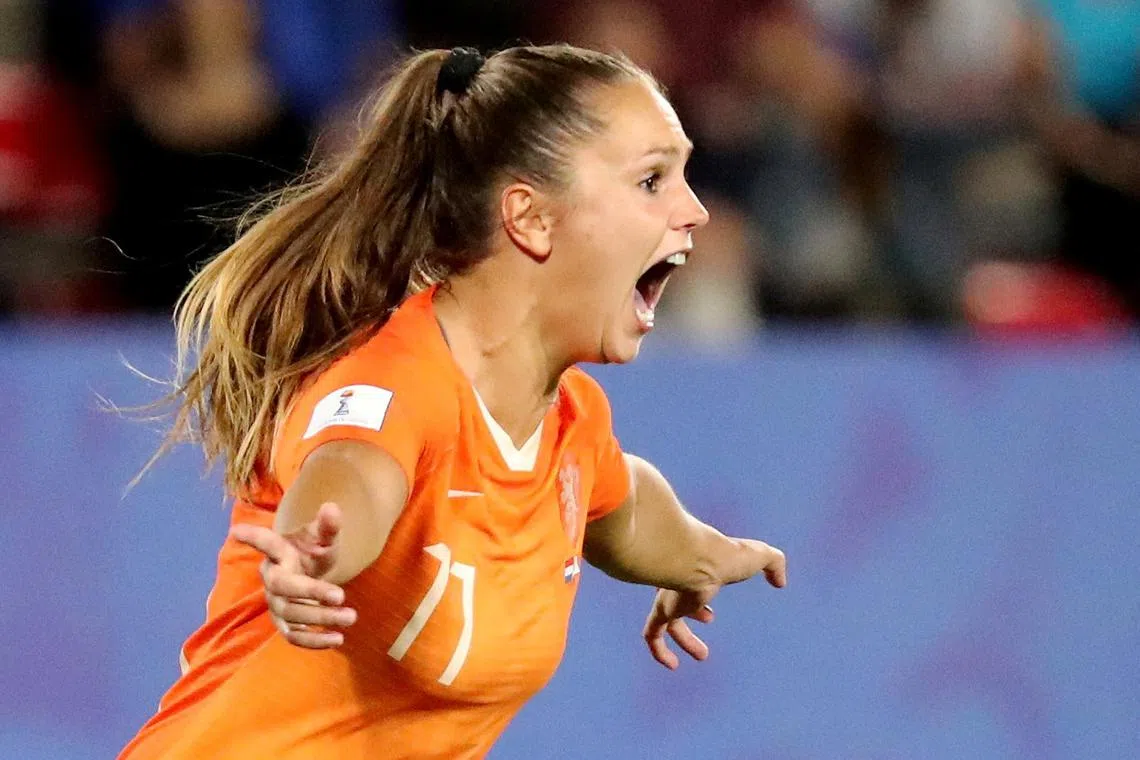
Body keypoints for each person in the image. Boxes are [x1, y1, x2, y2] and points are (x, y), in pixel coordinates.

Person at [118, 44, 787, 760]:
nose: (694, 211)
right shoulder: (393, 385)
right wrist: (310, 558)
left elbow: (621, 505)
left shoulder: (568, 423)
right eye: (652, 180)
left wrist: (704, 557)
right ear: (529, 219)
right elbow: (351, 478)